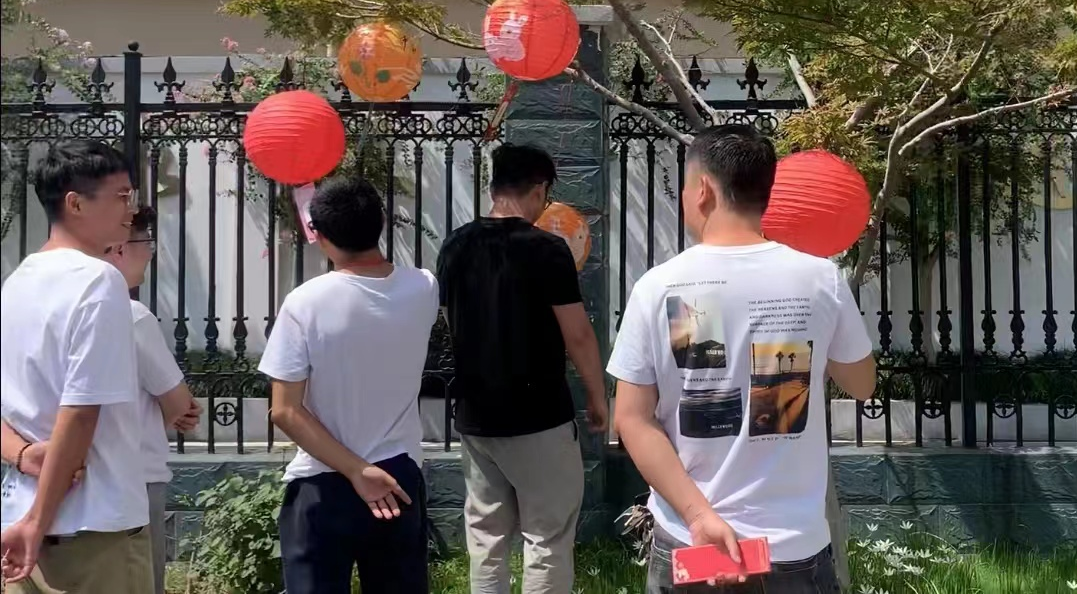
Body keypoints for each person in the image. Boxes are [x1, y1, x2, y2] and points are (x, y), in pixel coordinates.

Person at [607, 124, 877, 594]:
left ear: (703, 190)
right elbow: (862, 384)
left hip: (691, 540)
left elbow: (631, 419)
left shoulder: (659, 286)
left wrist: (698, 516)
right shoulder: (821, 279)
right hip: (794, 546)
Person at [436, 143, 609, 594]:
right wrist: (597, 396)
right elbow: (578, 335)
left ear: (494, 187)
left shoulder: (455, 245)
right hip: (538, 417)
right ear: (538, 189)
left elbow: (452, 324)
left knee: (486, 538)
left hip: (476, 417)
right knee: (547, 537)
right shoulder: (546, 249)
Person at [0, 206, 200, 594]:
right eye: (145, 242)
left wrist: (22, 455)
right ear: (119, 247)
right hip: (113, 497)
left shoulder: (18, 289)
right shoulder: (129, 313)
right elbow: (175, 406)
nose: (151, 253)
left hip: (25, 504)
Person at [257, 176, 438, 594]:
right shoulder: (423, 287)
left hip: (323, 476)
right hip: (397, 475)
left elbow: (284, 410)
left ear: (319, 236)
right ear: (381, 222)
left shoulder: (305, 302)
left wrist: (357, 470)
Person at [0, 140, 152, 592]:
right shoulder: (98, 280)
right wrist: (36, 520)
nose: (130, 209)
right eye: (121, 196)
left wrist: (21, 455)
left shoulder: (17, 282)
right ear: (76, 204)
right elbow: (82, 411)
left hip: (19, 525)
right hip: (92, 528)